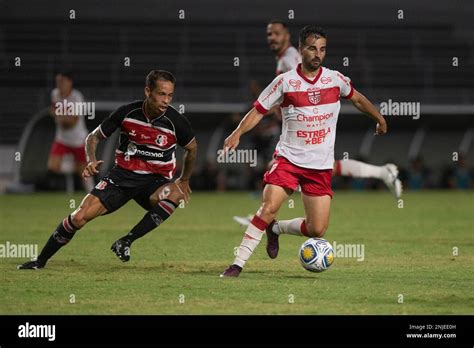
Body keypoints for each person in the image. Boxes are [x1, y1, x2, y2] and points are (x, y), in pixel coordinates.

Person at [221, 25, 387, 277]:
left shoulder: (335, 79)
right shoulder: (285, 82)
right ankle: (237, 264)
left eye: (322, 49)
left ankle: (275, 230)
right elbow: (258, 110)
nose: (317, 54)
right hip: (288, 160)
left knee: (317, 229)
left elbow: (358, 99)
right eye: (312, 48)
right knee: (268, 207)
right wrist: (237, 133)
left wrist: (379, 118)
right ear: (301, 50)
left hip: (319, 166)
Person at [18, 70, 197, 269]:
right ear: (148, 91)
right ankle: (40, 261)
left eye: (170, 95)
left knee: (175, 193)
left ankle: (126, 241)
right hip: (121, 178)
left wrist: (185, 179)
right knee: (79, 217)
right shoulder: (126, 113)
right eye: (161, 94)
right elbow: (93, 138)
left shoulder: (176, 122)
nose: (166, 100)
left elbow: (192, 148)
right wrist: (91, 160)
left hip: (154, 182)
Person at [48, 71, 93, 191]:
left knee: (84, 173)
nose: (59, 85)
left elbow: (72, 123)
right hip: (62, 138)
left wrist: (59, 116)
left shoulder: (77, 97)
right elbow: (53, 110)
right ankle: (74, 166)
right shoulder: (55, 94)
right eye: (57, 82)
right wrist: (61, 116)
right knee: (53, 166)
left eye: (62, 82)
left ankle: (93, 192)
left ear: (69, 82)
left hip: (78, 139)